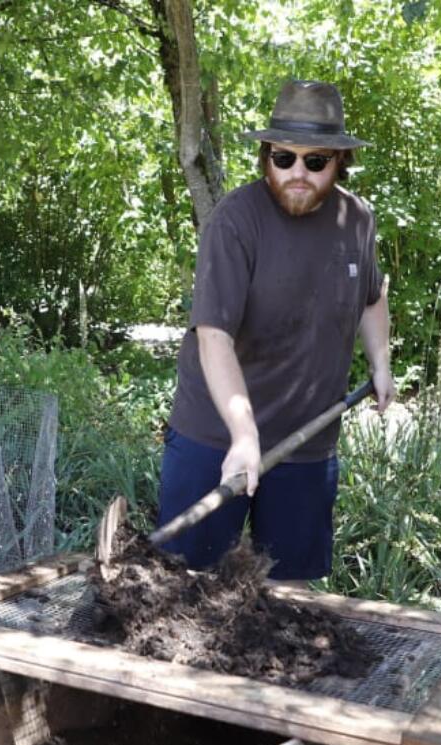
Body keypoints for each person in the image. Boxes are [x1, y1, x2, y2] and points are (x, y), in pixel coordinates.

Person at [158, 79, 394, 585]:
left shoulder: (357, 219)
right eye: (284, 158)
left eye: (315, 162)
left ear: (339, 161)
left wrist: (381, 364)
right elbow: (213, 336)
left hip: (306, 444)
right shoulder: (236, 222)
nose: (297, 174)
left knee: (288, 604)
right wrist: (243, 436)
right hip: (215, 440)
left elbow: (373, 296)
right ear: (266, 156)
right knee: (185, 590)